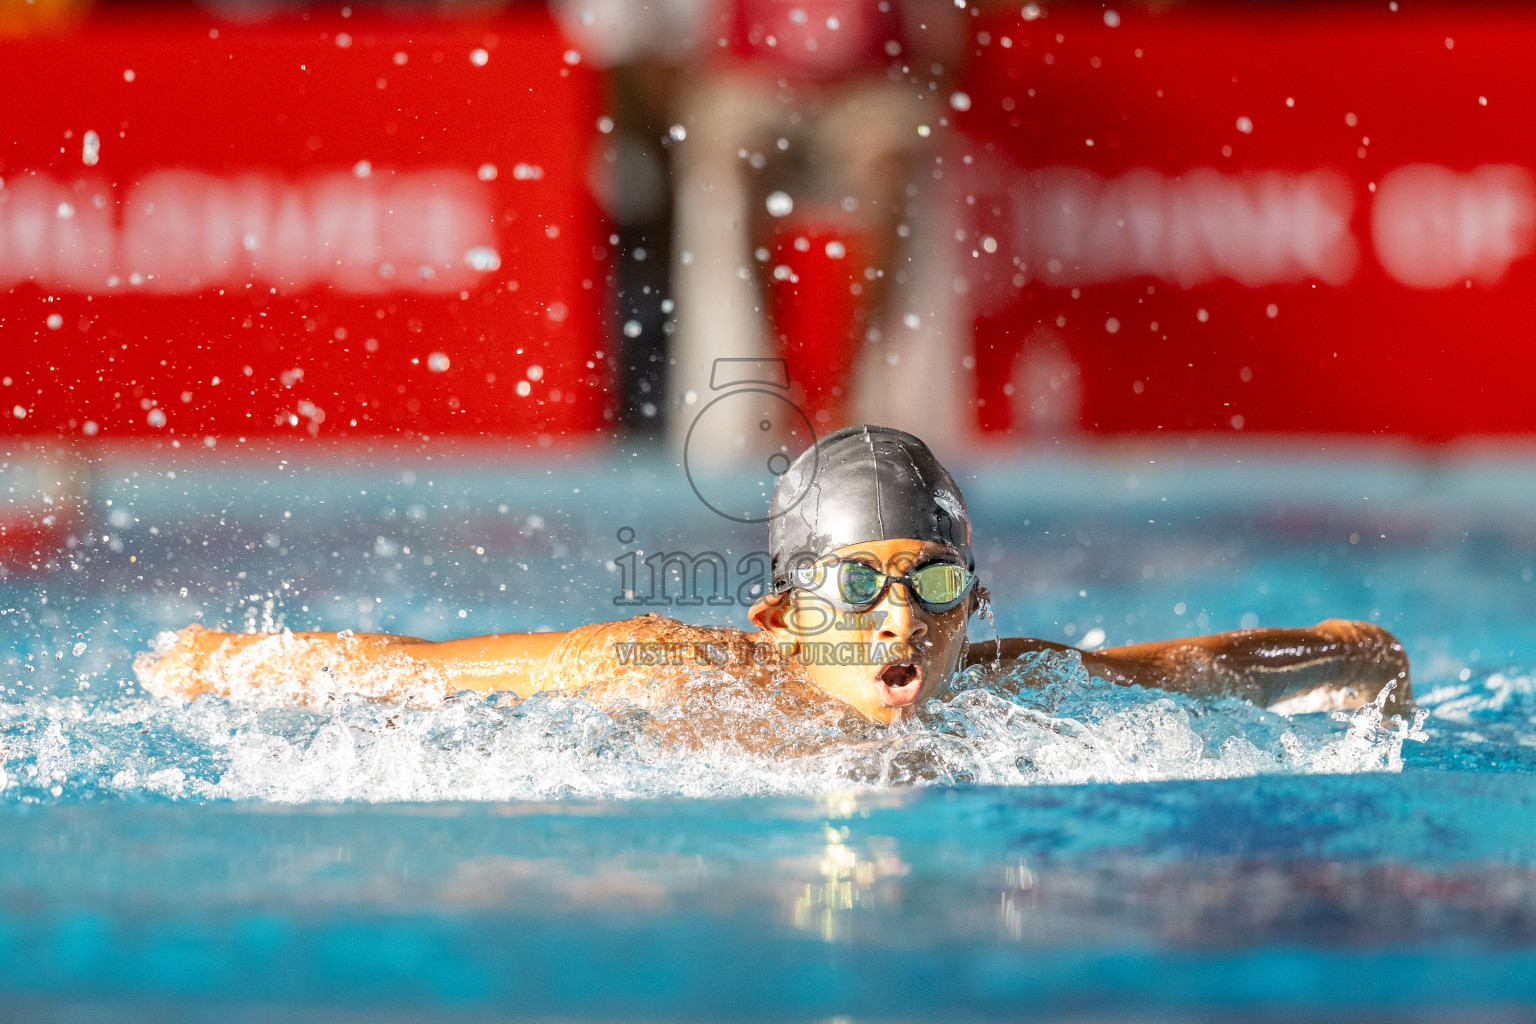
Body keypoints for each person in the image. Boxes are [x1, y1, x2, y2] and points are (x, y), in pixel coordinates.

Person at [138, 425, 1413, 729]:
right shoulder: (671, 666)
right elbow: (412, 676)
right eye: (857, 586)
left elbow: (1185, 671)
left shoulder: (1008, 693)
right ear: (779, 607)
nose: (901, 615)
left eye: (934, 583)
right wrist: (225, 663)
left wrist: (1350, 650)